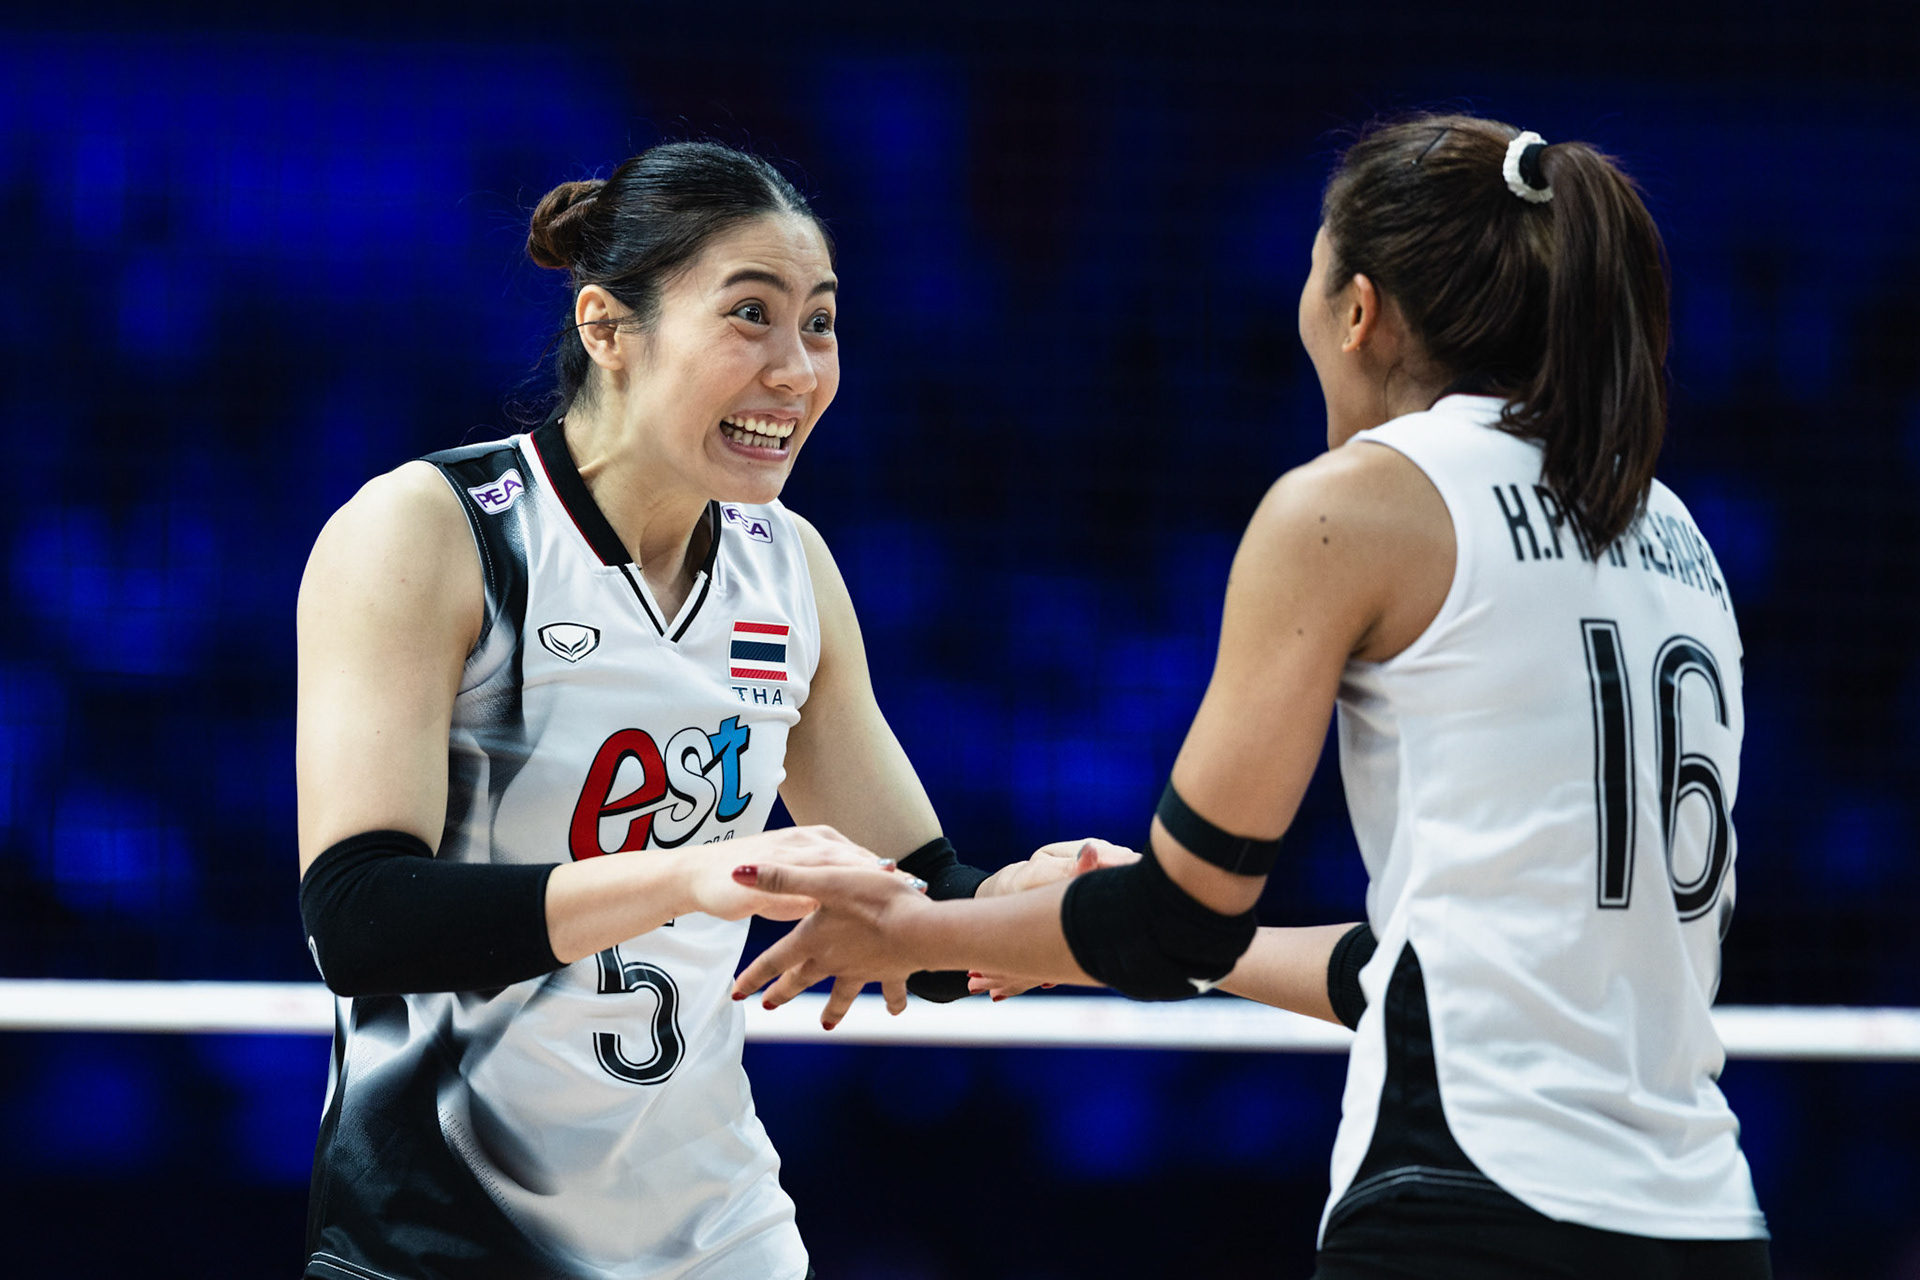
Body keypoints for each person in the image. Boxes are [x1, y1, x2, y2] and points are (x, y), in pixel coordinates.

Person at [733, 114, 1773, 1277]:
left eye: (1313, 271)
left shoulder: (1356, 503)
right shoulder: (1667, 525)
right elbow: (1435, 964)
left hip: (1474, 1203)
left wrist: (911, 929)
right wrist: (1108, 913)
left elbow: (1181, 920)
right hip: (1706, 1223)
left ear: (1360, 308)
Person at [293, 140, 1097, 1280]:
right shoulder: (434, 531)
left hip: (718, 1238)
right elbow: (361, 920)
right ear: (608, 328)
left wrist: (1037, 910)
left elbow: (910, 912)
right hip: (436, 1234)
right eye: (750, 316)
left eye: (818, 323)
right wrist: (690, 875)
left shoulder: (790, 567)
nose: (796, 370)